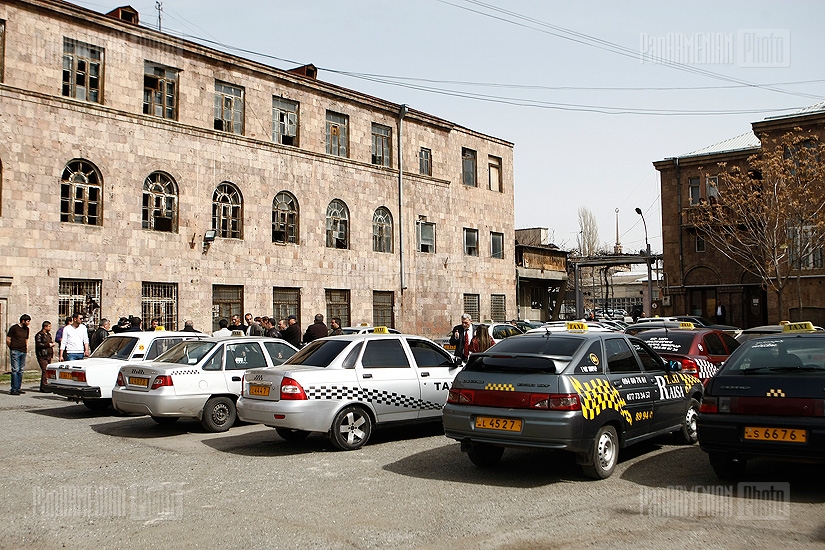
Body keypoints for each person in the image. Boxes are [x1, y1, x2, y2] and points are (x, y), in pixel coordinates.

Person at [6, 314, 32, 395]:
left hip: (23, 351)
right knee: (15, 370)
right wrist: (12, 347)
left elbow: (26, 339)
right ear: (23, 321)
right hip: (15, 351)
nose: (29, 323)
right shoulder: (14, 328)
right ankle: (13, 389)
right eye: (28, 321)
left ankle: (18, 388)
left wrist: (25, 348)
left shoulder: (27, 329)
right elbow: (8, 339)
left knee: (21, 370)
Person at [34, 320, 55, 392]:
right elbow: (39, 344)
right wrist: (48, 345)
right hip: (42, 355)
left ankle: (45, 385)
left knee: (47, 370)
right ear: (45, 327)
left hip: (48, 354)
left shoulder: (48, 335)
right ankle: (44, 386)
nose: (50, 327)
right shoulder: (39, 335)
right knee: (45, 370)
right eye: (49, 326)